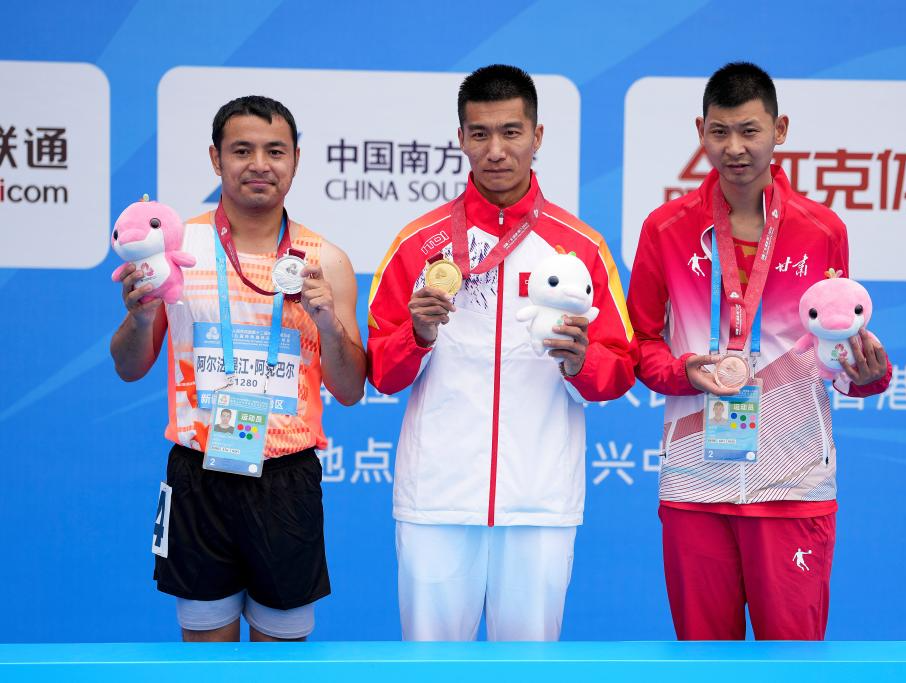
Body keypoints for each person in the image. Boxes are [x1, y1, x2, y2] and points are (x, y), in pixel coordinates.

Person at [367, 64, 637, 641]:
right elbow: (381, 373)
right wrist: (416, 335)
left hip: (539, 497)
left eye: (511, 132)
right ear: (460, 138)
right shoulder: (418, 244)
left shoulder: (580, 248)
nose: (496, 150)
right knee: (430, 671)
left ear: (537, 136)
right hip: (437, 496)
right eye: (480, 133)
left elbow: (620, 369)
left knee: (529, 669)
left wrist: (580, 361)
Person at [626, 62, 891, 641]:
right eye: (719, 132)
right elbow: (639, 343)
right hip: (695, 484)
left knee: (793, 667)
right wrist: (685, 371)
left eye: (750, 130)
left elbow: (835, 346)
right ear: (700, 132)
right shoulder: (666, 229)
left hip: (793, 484)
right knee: (703, 667)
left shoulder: (822, 230)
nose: (735, 148)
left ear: (780, 129)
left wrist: (868, 374)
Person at [110, 95, 365, 642]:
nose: (259, 164)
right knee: (206, 659)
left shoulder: (326, 260)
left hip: (286, 478)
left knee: (282, 661)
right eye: (242, 150)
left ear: (295, 160)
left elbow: (349, 389)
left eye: (275, 151)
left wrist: (326, 321)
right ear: (216, 158)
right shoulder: (178, 250)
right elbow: (129, 367)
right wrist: (140, 316)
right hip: (198, 474)